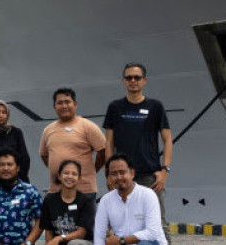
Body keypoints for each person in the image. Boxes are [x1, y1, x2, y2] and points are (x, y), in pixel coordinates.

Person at [103, 63, 173, 243]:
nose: (133, 81)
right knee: (119, 222)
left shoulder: (155, 106)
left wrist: (165, 170)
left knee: (159, 223)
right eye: (129, 77)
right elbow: (109, 142)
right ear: (123, 81)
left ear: (144, 80)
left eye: (137, 77)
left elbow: (167, 139)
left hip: (150, 176)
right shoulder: (115, 107)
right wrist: (109, 173)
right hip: (121, 176)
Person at [39, 88, 106, 199]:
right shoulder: (48, 130)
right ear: (54, 106)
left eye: (67, 102)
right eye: (60, 103)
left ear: (75, 104)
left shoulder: (88, 126)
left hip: (84, 190)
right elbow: (44, 155)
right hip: (56, 190)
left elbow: (103, 150)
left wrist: (93, 169)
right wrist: (57, 170)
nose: (64, 106)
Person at [94, 154, 167, 245]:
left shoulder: (147, 195)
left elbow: (153, 232)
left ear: (132, 173)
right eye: (113, 174)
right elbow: (99, 235)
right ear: (109, 177)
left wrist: (121, 241)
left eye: (122, 172)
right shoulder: (106, 200)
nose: (118, 177)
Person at [39, 159, 95, 245]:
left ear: (79, 178)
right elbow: (48, 230)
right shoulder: (49, 200)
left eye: (74, 174)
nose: (70, 176)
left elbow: (81, 233)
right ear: (59, 176)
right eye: (66, 173)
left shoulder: (86, 201)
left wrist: (60, 238)